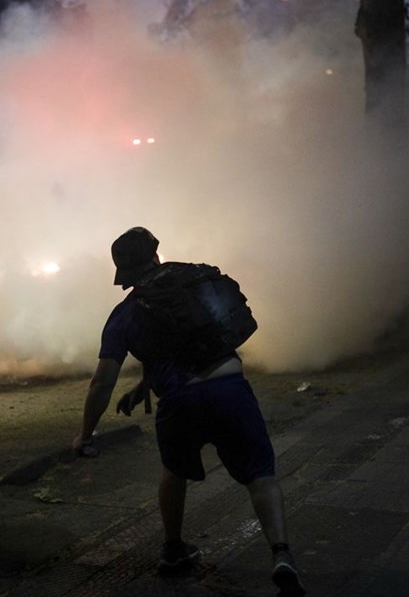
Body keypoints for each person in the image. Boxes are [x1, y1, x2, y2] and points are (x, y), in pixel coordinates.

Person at [72, 226, 306, 596]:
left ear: (123, 271)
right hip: (229, 389)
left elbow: (102, 383)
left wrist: (85, 435)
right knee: (261, 476)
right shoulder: (194, 282)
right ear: (155, 256)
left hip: (180, 402)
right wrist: (145, 385)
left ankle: (173, 550)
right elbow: (196, 339)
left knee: (174, 471)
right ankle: (281, 554)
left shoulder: (124, 314)